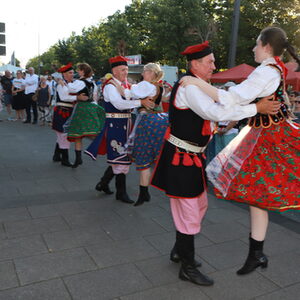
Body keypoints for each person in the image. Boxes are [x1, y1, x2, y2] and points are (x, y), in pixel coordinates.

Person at [151, 41, 280, 286]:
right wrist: (256, 108)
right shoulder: (190, 87)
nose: (214, 65)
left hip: (192, 157)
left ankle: (180, 251)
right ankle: (187, 267)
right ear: (195, 64)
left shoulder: (199, 84)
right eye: (209, 61)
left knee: (198, 207)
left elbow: (222, 105)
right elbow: (217, 114)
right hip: (182, 157)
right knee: (189, 210)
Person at [181, 27, 300, 276]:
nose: (253, 48)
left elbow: (234, 97)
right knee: (257, 198)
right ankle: (256, 253)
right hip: (263, 136)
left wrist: (197, 83)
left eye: (256, 44)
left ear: (266, 45)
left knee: (263, 194)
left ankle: (256, 254)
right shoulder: (274, 68)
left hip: (269, 137)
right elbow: (243, 101)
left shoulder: (267, 69)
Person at [85, 56, 154, 203]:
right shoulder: (110, 86)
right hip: (115, 125)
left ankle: (103, 183)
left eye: (127, 70)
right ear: (114, 71)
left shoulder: (125, 85)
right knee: (121, 159)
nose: (125, 73)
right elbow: (118, 104)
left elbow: (133, 95)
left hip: (125, 124)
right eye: (123, 70)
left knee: (120, 158)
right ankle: (120, 193)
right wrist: (140, 102)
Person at [126, 63, 169, 206]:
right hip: (159, 121)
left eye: (145, 71)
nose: (143, 73)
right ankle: (145, 192)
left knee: (143, 155)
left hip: (147, 122)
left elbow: (132, 92)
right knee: (151, 156)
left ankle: (144, 193)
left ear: (151, 72)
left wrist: (122, 85)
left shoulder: (146, 85)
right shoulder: (159, 86)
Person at [66, 63, 105, 168]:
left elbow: (71, 89)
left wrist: (68, 82)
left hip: (82, 108)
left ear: (83, 71)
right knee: (80, 135)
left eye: (78, 70)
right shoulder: (92, 83)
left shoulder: (79, 82)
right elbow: (95, 96)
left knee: (81, 133)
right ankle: (78, 159)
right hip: (91, 106)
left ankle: (100, 147)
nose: (77, 72)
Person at [52, 63, 88, 167]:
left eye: (73, 72)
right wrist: (77, 98)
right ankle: (65, 160)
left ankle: (56, 155)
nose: (72, 74)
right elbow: (64, 97)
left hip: (70, 111)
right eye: (70, 73)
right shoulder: (60, 84)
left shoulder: (72, 84)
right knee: (63, 134)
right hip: (62, 111)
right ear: (64, 74)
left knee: (62, 134)